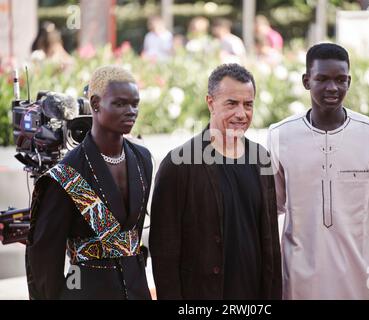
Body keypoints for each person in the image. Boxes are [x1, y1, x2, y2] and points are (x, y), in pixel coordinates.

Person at [267, 43, 369, 300]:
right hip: (299, 284)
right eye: (322, 79)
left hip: (363, 284)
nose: (332, 88)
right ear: (306, 81)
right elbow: (267, 211)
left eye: (340, 79)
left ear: (349, 82)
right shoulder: (279, 136)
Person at [149, 63, 282, 300]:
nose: (241, 114)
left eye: (248, 104)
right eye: (231, 103)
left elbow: (270, 244)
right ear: (210, 103)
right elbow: (164, 253)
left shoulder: (261, 159)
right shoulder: (179, 165)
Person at [26, 65, 153, 299]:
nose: (131, 111)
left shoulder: (142, 159)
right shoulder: (66, 174)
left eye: (135, 103)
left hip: (137, 291)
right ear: (95, 104)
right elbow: (44, 259)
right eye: (120, 103)